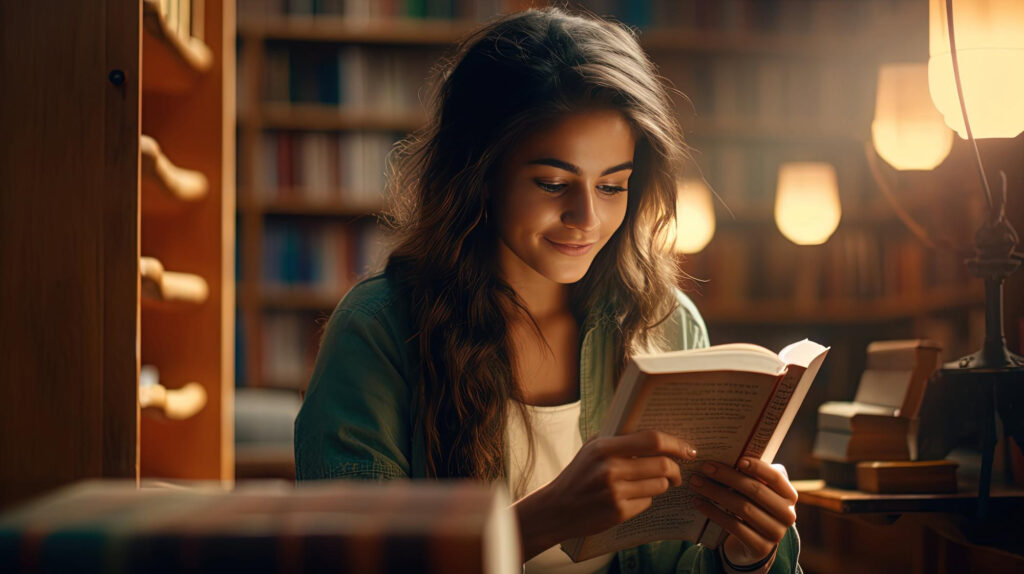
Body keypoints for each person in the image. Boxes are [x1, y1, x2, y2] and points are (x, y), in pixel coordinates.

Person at [294, 7, 800, 573]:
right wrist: (545, 518)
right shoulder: (380, 329)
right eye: (554, 183)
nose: (587, 218)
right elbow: (352, 559)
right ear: (480, 174)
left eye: (612, 186)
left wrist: (746, 555)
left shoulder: (666, 323)